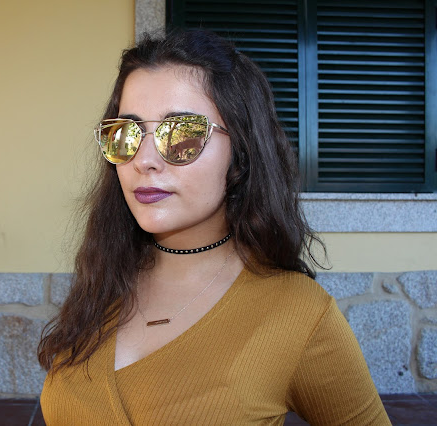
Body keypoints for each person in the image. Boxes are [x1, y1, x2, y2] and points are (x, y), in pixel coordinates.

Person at [38, 30, 390, 425]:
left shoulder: (299, 314)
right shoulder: (106, 280)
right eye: (127, 134)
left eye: (182, 133)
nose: (144, 160)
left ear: (240, 155)